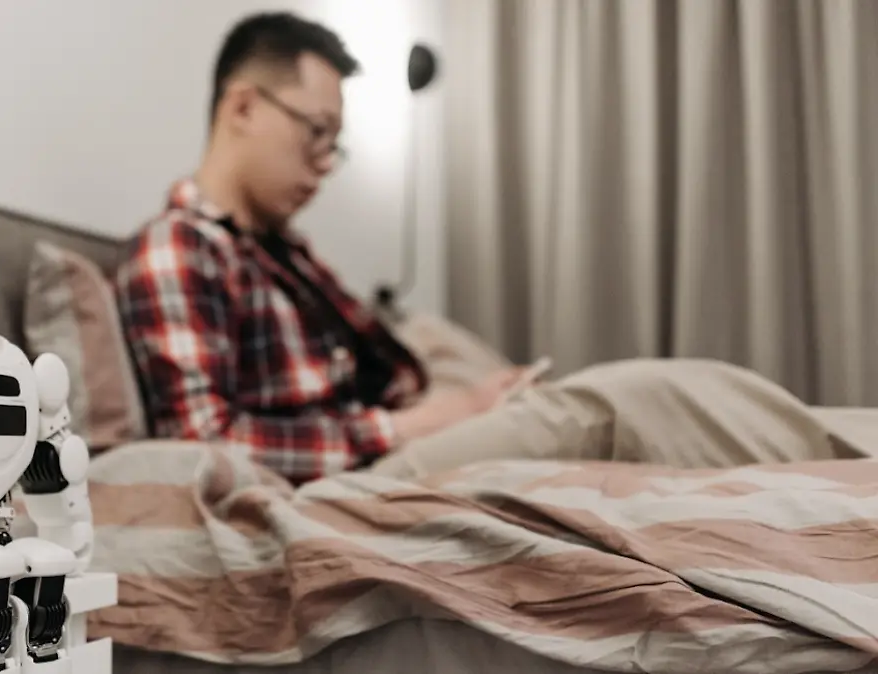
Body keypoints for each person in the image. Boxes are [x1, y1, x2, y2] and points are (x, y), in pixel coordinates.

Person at [114, 11, 875, 484]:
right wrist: (412, 426)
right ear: (244, 106)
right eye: (317, 132)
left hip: (387, 437)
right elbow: (201, 445)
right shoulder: (181, 247)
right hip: (351, 477)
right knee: (616, 402)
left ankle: (847, 450)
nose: (323, 163)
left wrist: (463, 399)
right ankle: (852, 458)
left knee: (605, 403)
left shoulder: (286, 252)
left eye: (334, 144)